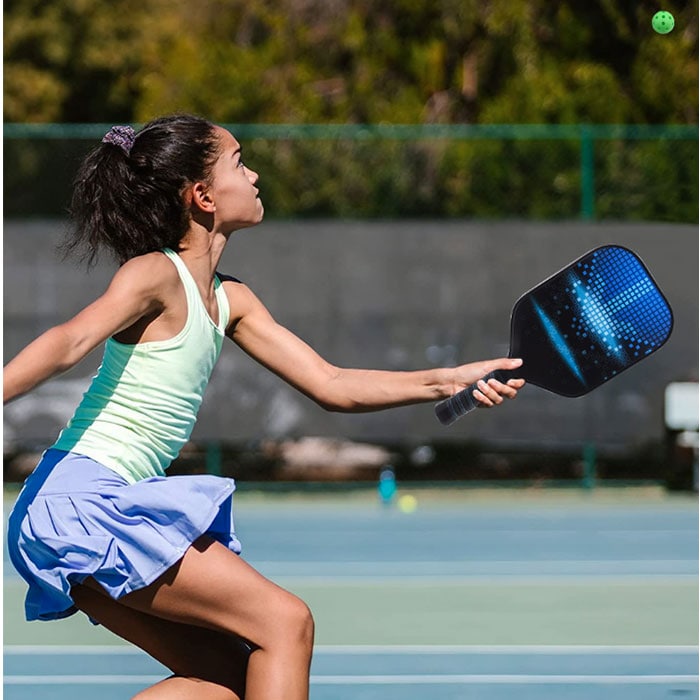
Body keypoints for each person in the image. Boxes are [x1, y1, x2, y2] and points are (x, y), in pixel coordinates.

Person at [3, 114, 525, 700]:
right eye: (239, 162)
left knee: (225, 680)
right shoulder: (156, 274)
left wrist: (450, 379)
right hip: (79, 502)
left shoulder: (232, 300)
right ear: (202, 196)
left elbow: (333, 384)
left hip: (73, 509)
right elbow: (69, 341)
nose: (253, 175)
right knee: (285, 623)